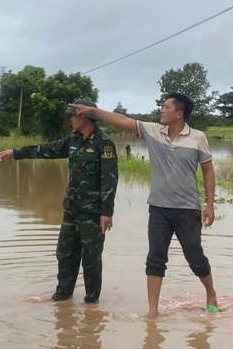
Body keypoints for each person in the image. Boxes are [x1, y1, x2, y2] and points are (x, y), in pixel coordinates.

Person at [70, 93, 218, 319]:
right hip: (158, 208)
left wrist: (210, 205)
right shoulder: (153, 131)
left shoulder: (198, 138)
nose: (161, 109)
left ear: (179, 113)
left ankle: (211, 294)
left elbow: (208, 171)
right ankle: (153, 311)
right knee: (155, 259)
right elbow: (121, 119)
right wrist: (92, 112)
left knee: (195, 256)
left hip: (187, 209)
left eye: (166, 107)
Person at [0, 99, 118, 303]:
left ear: (85, 117)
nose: (71, 119)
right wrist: (16, 153)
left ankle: (91, 303)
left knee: (91, 259)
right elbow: (46, 149)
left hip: (92, 214)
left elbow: (110, 180)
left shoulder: (104, 144)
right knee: (65, 253)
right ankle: (62, 296)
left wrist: (107, 212)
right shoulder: (73, 140)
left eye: (73, 115)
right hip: (71, 210)